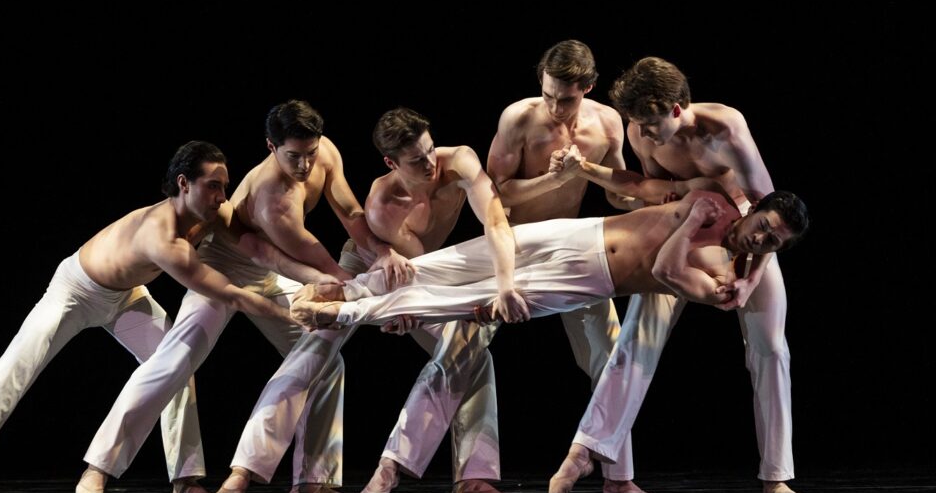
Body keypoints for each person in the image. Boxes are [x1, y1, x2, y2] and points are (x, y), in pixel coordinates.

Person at [0, 141, 298, 493]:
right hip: (75, 291)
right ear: (184, 183)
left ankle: (184, 481)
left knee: (177, 366)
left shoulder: (211, 213)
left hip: (126, 296)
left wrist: (311, 278)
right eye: (214, 185)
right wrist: (284, 314)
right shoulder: (160, 235)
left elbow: (255, 243)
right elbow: (228, 293)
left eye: (225, 186)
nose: (222, 195)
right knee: (13, 372)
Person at [76, 100, 414, 493]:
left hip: (270, 274)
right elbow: (311, 261)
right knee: (174, 360)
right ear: (271, 146)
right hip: (224, 270)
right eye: (294, 156)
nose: (305, 165)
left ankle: (312, 482)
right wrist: (357, 290)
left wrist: (380, 253)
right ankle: (98, 468)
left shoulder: (323, 153)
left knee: (326, 360)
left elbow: (348, 210)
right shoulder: (273, 196)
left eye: (310, 153)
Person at [570, 55, 806, 493]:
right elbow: (655, 195)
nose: (644, 131)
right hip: (690, 237)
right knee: (638, 337)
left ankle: (776, 476)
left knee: (771, 348)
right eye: (637, 122)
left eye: (652, 122)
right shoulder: (642, 131)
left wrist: (749, 283)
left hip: (748, 238)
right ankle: (603, 460)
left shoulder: (726, 128)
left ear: (677, 108)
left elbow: (766, 209)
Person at [484, 39, 654, 493]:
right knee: (462, 350)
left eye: (567, 97)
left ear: (589, 87)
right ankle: (469, 477)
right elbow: (495, 196)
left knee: (613, 355)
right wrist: (553, 179)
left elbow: (622, 194)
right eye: (549, 94)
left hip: (573, 248)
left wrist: (593, 173)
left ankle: (618, 478)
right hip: (515, 248)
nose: (556, 106)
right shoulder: (519, 118)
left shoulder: (607, 122)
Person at [290, 190, 808, 335]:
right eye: (765, 226)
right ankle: (358, 288)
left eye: (773, 244)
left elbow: (668, 272)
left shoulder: (724, 275)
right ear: (757, 209)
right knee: (465, 259)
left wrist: (694, 223)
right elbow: (642, 189)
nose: (763, 239)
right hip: (584, 231)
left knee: (467, 300)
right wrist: (590, 172)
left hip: (589, 278)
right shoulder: (722, 195)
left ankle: (345, 315)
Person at [350, 107, 527, 493]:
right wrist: (412, 308)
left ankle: (453, 476)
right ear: (392, 163)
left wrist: (504, 286)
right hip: (387, 277)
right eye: (416, 160)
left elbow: (495, 222)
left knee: (472, 353)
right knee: (468, 347)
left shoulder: (460, 160)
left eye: (430, 149)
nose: (430, 163)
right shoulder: (383, 205)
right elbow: (414, 277)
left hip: (433, 272)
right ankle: (410, 469)